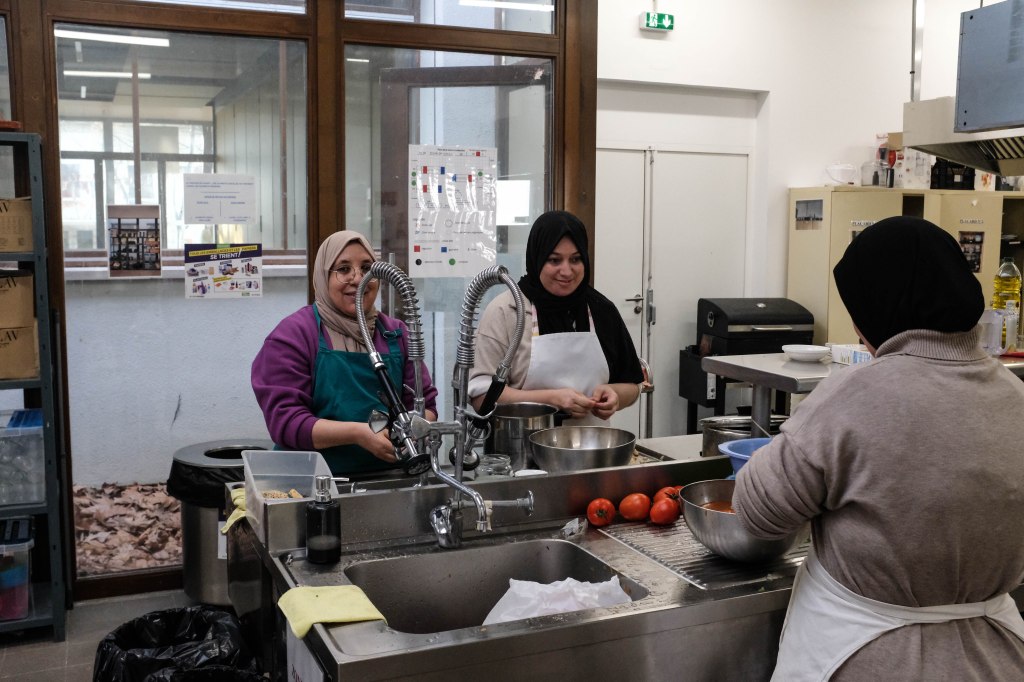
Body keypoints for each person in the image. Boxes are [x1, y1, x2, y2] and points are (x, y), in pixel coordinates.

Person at [733, 216, 1024, 681]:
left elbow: (758, 512)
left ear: (874, 310)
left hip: (867, 655)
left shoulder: (853, 395)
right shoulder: (1015, 395)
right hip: (998, 657)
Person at [252, 230, 437, 477]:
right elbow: (286, 422)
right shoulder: (293, 336)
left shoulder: (396, 334)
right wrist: (358, 434)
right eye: (343, 269)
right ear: (323, 277)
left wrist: (413, 430)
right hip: (311, 482)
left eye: (367, 268)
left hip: (389, 477)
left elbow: (426, 406)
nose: (358, 278)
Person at [469, 210, 643, 423]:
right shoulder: (507, 311)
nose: (567, 271)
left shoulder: (601, 309)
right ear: (537, 259)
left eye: (576, 259)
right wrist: (552, 400)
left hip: (590, 442)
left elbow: (632, 385)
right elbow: (481, 397)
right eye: (554, 260)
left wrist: (615, 395)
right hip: (521, 441)